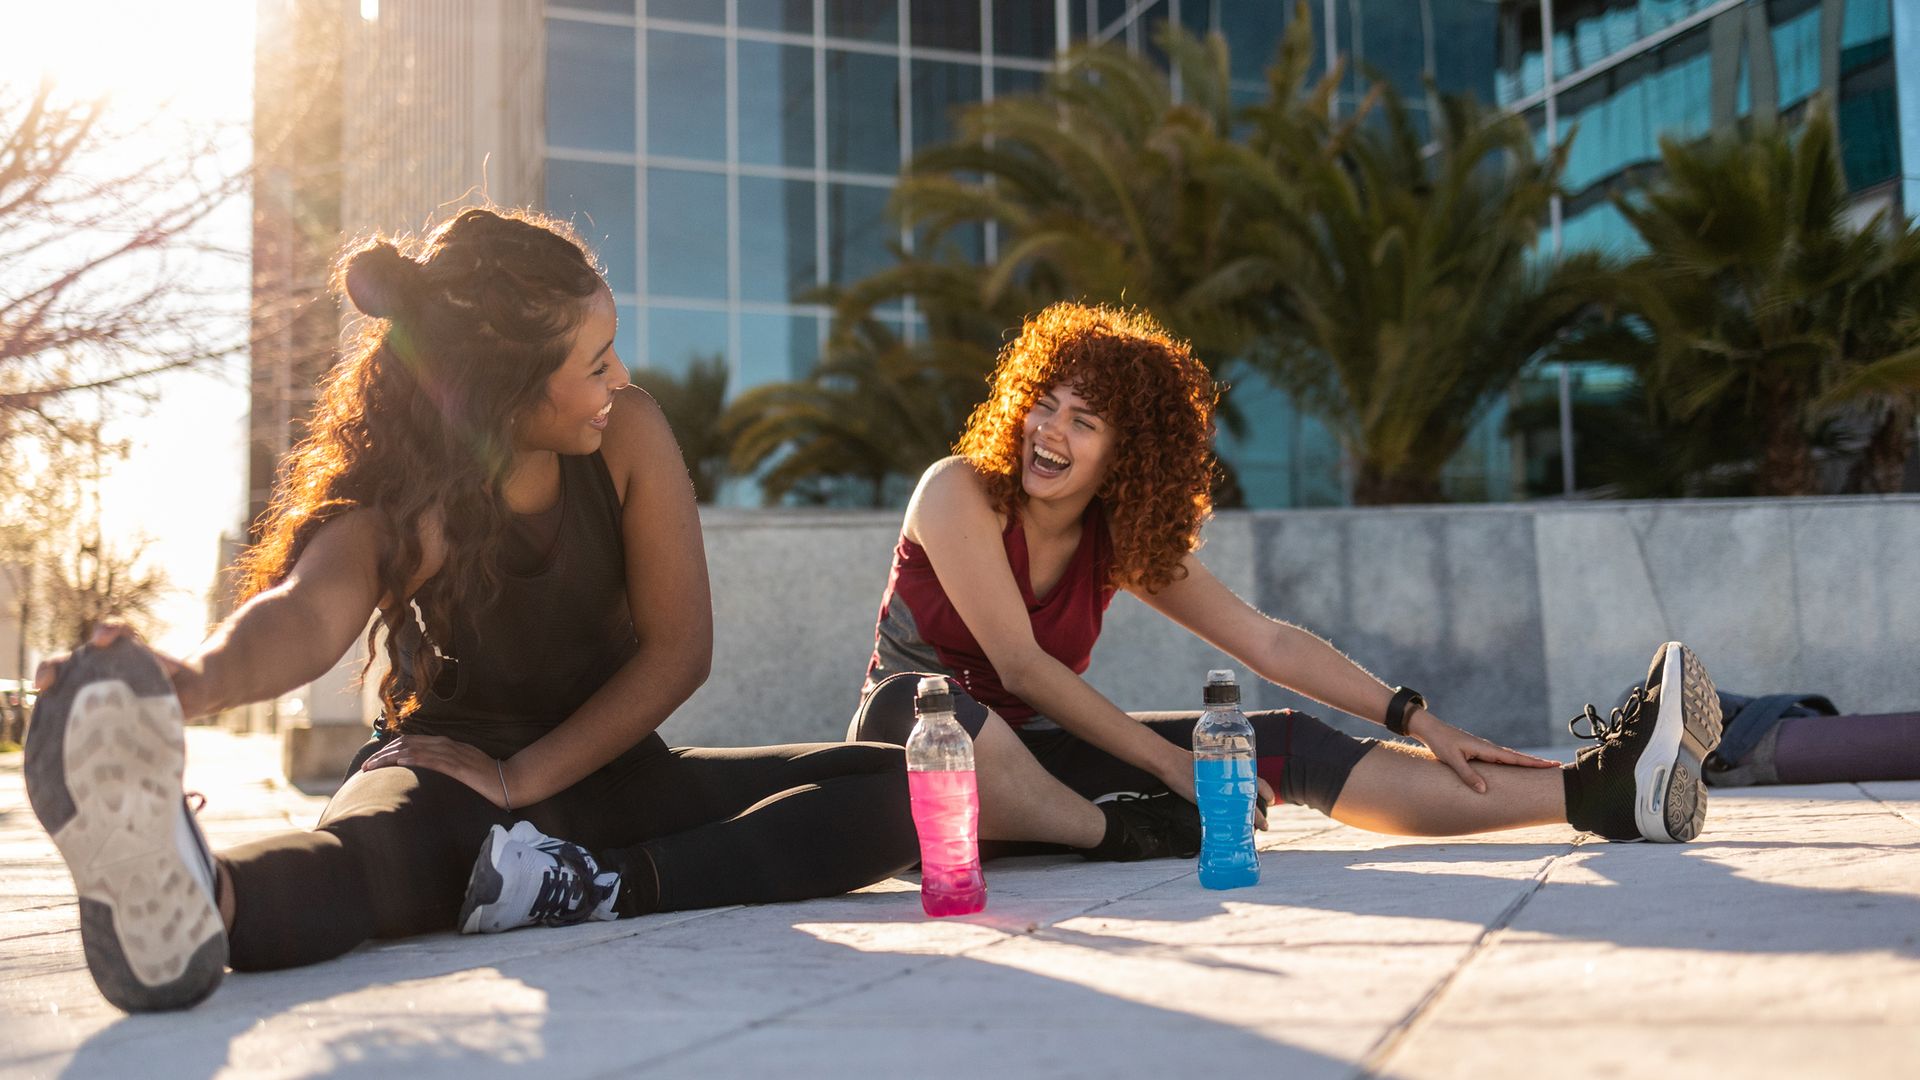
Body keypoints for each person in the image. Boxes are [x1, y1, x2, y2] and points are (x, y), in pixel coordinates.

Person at [23, 208, 925, 1013]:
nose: (617, 378)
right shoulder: (402, 499)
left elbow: (680, 651)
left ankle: (595, 886)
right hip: (446, 777)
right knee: (368, 859)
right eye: (593, 363)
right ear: (510, 384)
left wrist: (521, 784)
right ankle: (193, 900)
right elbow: (306, 612)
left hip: (609, 778)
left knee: (902, 790)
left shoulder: (629, 435)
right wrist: (185, 683)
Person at [847, 302, 1725, 862]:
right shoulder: (958, 489)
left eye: (1085, 421)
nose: (1050, 431)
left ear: (1128, 455)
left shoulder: (1115, 534)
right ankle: (1116, 833)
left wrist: (1415, 715)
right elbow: (1022, 663)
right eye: (1045, 402)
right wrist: (1170, 768)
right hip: (913, 738)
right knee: (963, 725)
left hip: (1028, 756)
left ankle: (1605, 791)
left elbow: (1262, 639)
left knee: (1278, 742)